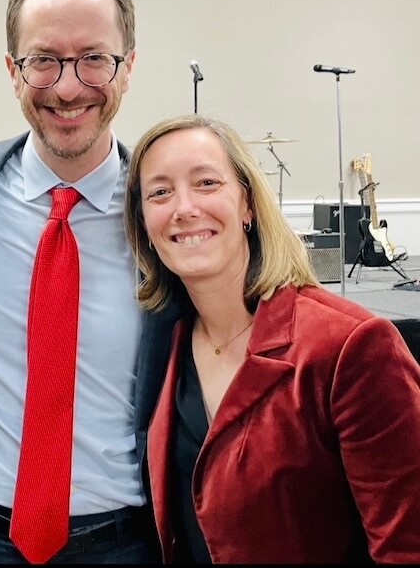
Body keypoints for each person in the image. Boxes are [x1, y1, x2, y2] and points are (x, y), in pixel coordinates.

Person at [0, 0, 174, 564]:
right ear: (13, 71)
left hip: (123, 543)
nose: (68, 87)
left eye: (94, 58)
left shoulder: (165, 209)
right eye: (44, 60)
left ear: (129, 67)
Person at [124, 113, 420, 563]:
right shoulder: (163, 343)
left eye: (206, 183)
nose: (183, 207)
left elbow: (407, 546)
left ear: (248, 205)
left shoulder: (350, 346)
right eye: (160, 192)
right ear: (144, 223)